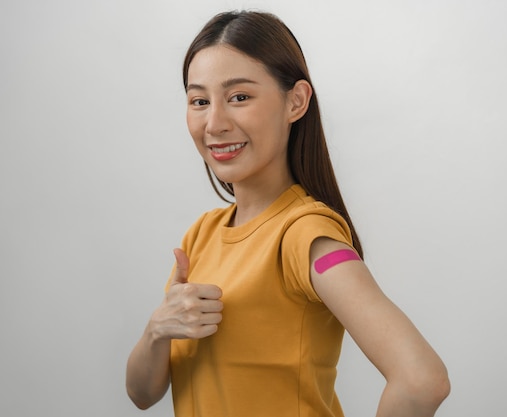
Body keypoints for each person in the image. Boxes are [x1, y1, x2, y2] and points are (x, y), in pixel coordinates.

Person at [126, 10, 450, 417]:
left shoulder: (306, 235)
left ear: (295, 101)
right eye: (199, 101)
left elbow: (422, 379)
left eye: (239, 97)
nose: (215, 123)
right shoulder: (200, 236)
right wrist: (158, 330)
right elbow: (141, 393)